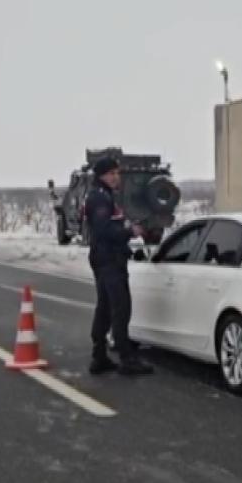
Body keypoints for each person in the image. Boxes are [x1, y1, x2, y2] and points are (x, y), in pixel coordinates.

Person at [84, 157, 154, 376]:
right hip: (109, 259)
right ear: (101, 175)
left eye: (117, 173)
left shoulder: (105, 196)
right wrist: (129, 232)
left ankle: (99, 356)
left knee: (105, 307)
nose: (116, 177)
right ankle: (127, 358)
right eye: (111, 173)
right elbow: (103, 229)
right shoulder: (99, 198)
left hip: (106, 257)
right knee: (120, 308)